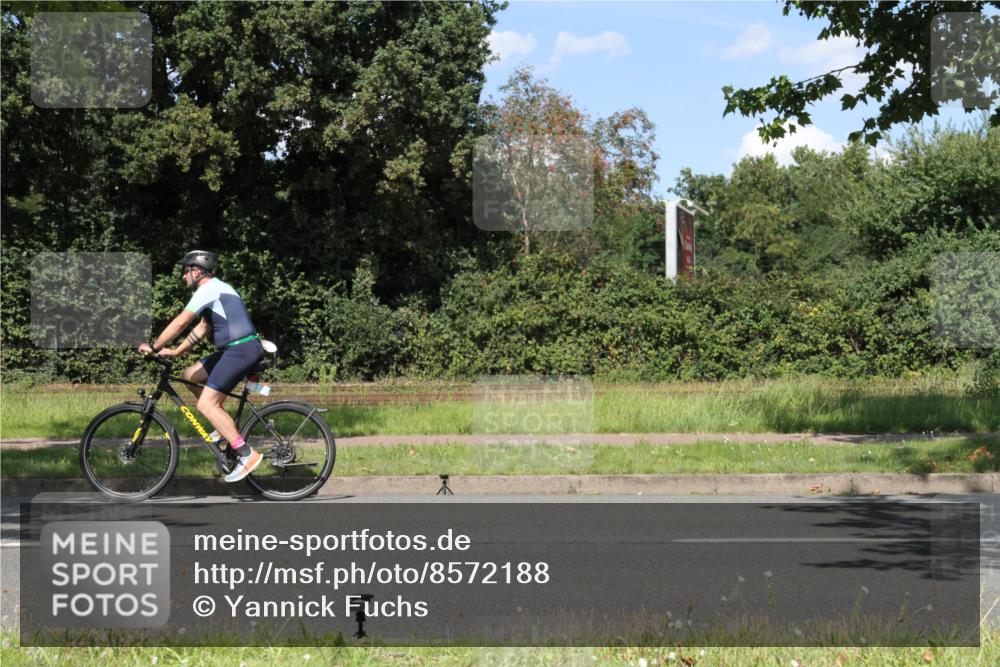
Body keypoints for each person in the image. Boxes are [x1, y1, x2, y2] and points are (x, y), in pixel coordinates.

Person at [137, 250, 265, 482]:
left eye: (185, 271)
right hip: (237, 349)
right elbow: (202, 328)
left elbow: (181, 322)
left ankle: (247, 455)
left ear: (196, 271)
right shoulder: (219, 289)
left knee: (206, 405)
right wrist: (175, 352)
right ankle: (224, 426)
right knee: (190, 375)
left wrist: (154, 347)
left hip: (240, 349)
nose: (183, 277)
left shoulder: (208, 289)